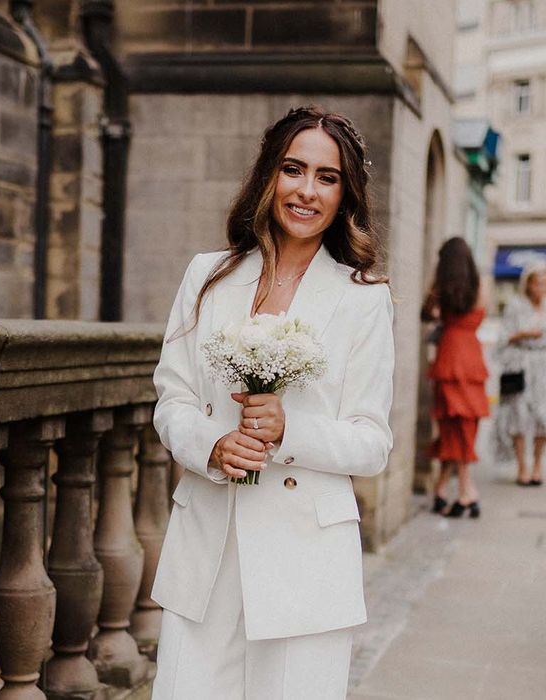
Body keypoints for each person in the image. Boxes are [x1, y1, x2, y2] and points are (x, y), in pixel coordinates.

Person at [150, 106, 394, 700]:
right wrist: (212, 444)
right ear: (269, 176)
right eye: (293, 169)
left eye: (327, 177)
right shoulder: (207, 276)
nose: (307, 191)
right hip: (206, 548)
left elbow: (372, 442)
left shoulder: (363, 299)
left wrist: (289, 432)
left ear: (345, 193)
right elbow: (172, 398)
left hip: (305, 558)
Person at [420, 238, 488, 518]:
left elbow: (426, 315)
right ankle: (463, 490)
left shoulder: (442, 287)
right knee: (461, 424)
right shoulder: (478, 285)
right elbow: (482, 313)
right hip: (470, 355)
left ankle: (452, 489)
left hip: (449, 355)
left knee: (453, 424)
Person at [495, 262, 546, 486]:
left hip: (543, 367)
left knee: (541, 418)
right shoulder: (516, 306)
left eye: (545, 283)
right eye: (538, 283)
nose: (542, 288)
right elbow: (503, 338)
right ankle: (522, 467)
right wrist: (523, 334)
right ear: (528, 285)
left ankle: (537, 466)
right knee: (519, 416)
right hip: (520, 365)